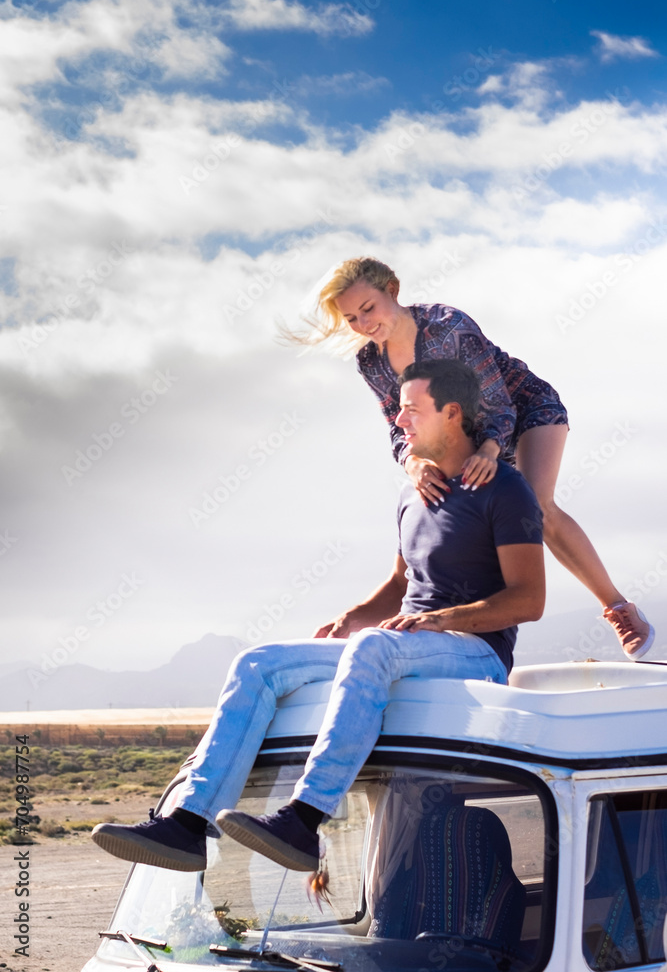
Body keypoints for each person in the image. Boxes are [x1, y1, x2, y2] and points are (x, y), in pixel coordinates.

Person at [92, 359, 545, 873]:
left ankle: (304, 820)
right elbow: (401, 585)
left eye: (412, 411)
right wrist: (351, 615)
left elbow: (529, 600)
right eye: (399, 411)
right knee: (258, 663)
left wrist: (443, 619)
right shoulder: (411, 492)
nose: (400, 423)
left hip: (475, 654)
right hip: (405, 644)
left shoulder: (506, 489)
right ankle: (188, 824)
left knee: (373, 645)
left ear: (452, 413)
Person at [294, 256, 653, 661]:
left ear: (392, 291)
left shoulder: (447, 326)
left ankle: (620, 610)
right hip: (463, 433)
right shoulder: (370, 361)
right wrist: (412, 463)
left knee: (535, 508)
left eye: (368, 309)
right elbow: (397, 425)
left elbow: (499, 404)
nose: (363, 324)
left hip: (524, 412)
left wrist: (488, 450)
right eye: (351, 319)